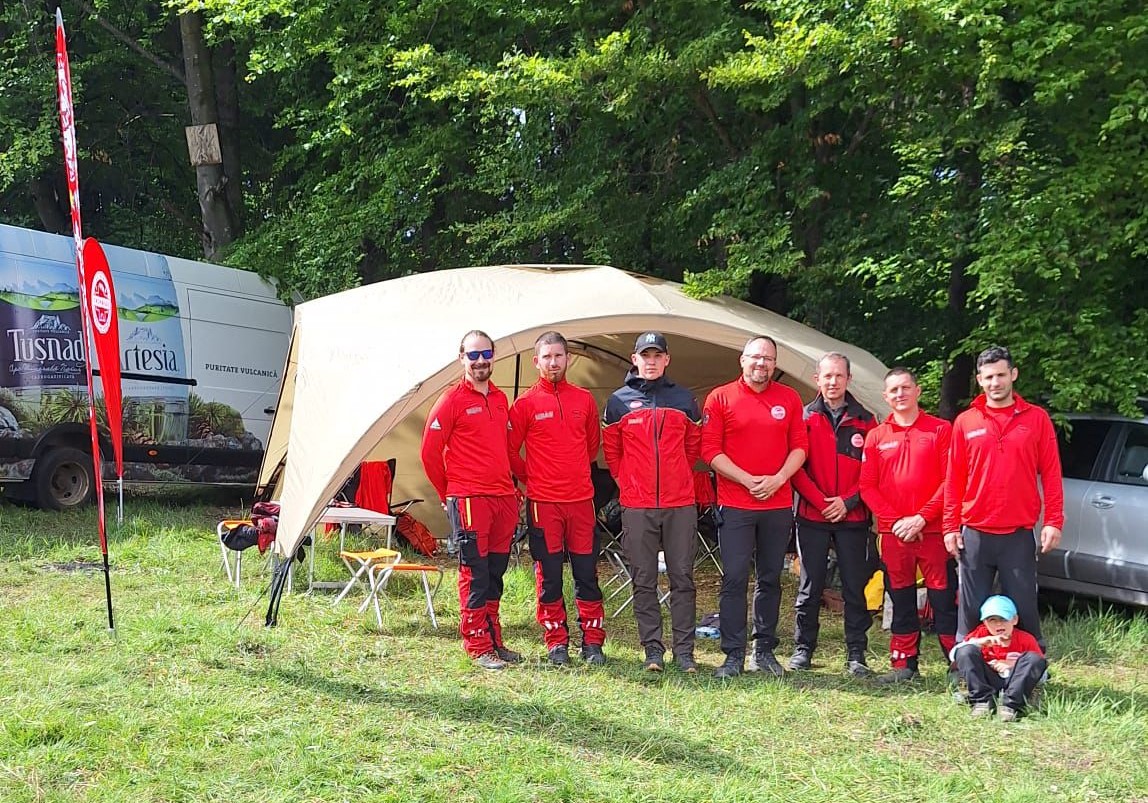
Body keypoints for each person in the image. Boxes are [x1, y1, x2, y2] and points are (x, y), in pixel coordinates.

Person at [943, 345, 1064, 650]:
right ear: (979, 380)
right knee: (971, 609)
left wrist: (1053, 521)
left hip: (1017, 533)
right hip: (975, 533)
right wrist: (949, 526)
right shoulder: (966, 421)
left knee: (1023, 606)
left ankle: (1033, 664)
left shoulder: (1036, 419)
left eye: (1000, 375)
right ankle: (965, 667)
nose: (995, 383)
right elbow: (953, 479)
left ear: (1013, 375)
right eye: (988, 377)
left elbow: (1051, 473)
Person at [701, 336, 808, 679]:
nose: (761, 363)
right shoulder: (720, 397)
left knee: (770, 578)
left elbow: (800, 448)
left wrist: (778, 479)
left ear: (775, 364)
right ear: (742, 360)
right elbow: (710, 451)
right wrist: (747, 479)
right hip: (735, 504)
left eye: (768, 359)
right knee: (733, 578)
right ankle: (733, 654)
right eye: (755, 357)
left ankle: (763, 651)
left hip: (776, 504)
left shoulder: (789, 398)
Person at [420, 330, 522, 671]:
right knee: (474, 572)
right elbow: (429, 453)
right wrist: (447, 492)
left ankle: (494, 640)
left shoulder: (499, 399)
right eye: (473, 355)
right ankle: (477, 645)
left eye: (486, 354)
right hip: (468, 499)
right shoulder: (451, 399)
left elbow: (505, 450)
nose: (480, 361)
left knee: (495, 572)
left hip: (503, 498)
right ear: (461, 357)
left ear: (494, 356)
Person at [602, 332, 703, 673]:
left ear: (666, 360)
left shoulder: (685, 399)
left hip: (679, 503)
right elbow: (612, 452)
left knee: (682, 577)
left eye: (657, 355)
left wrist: (676, 478)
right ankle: (653, 651)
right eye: (645, 355)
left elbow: (692, 449)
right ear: (635, 359)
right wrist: (629, 482)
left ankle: (685, 652)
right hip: (637, 504)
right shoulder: (618, 401)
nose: (651, 361)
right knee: (643, 578)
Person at [508, 331, 606, 666]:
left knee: (586, 572)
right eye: (547, 357)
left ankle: (592, 642)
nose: (553, 363)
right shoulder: (524, 405)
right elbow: (510, 452)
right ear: (536, 361)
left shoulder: (584, 400)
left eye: (559, 356)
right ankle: (556, 642)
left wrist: (572, 473)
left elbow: (591, 447)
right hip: (543, 504)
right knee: (549, 575)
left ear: (568, 359)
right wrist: (532, 477)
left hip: (581, 502)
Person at [859, 368, 957, 683]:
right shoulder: (876, 436)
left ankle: (959, 666)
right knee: (900, 599)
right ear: (886, 397)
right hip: (894, 535)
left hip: (933, 534)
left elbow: (951, 481)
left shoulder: (941, 430)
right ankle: (904, 667)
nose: (900, 394)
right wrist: (896, 521)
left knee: (944, 600)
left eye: (905, 388)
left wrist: (921, 518)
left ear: (917, 391)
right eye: (893, 390)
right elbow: (867, 487)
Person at [790, 352, 878, 676]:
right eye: (827, 376)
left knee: (854, 588)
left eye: (839, 376)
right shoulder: (804, 417)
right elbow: (795, 467)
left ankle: (856, 654)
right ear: (817, 379)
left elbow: (873, 471)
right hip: (813, 516)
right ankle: (803, 650)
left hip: (853, 519)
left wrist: (849, 501)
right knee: (810, 586)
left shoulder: (866, 421)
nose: (833, 382)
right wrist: (821, 501)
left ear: (848, 379)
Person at [949, 595, 1047, 721]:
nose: (998, 623)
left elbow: (1041, 670)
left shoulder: (1026, 639)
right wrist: (980, 642)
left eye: (1003, 619)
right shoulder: (980, 635)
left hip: (1016, 683)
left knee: (1034, 658)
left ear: (1014, 620)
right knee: (966, 650)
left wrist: (1013, 664)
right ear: (985, 623)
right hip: (986, 680)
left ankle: (1009, 706)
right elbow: (955, 655)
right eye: (992, 620)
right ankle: (982, 702)